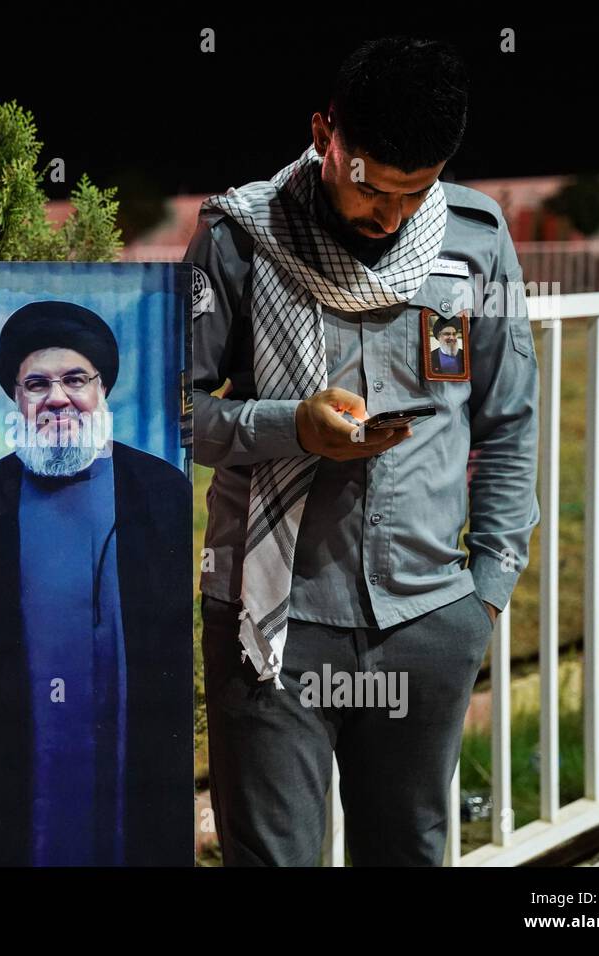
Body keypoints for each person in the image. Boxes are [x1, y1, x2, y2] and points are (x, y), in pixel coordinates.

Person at [189, 36, 540, 866]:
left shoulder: (475, 241)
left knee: (408, 851)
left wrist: (484, 591)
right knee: (273, 857)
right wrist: (290, 427)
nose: (391, 216)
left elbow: (508, 420)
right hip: (268, 622)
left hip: (426, 618)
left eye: (415, 194)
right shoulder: (241, 237)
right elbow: (173, 413)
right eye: (371, 187)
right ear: (324, 135)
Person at [0, 301, 194, 866]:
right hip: (13, 774)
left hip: (139, 774)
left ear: (102, 388)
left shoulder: (162, 492)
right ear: (17, 398)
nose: (57, 397)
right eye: (37, 384)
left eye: (75, 379)